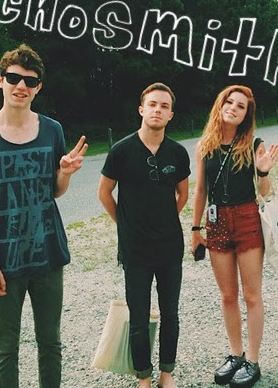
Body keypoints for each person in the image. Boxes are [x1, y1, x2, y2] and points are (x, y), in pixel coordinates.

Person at [0, 44, 88, 387]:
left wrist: (64, 174)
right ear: (0, 80)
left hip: (48, 255)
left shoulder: (52, 130)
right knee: (6, 349)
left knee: (50, 343)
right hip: (3, 262)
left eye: (30, 81)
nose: (21, 86)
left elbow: (54, 191)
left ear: (38, 87)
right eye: (13, 78)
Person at [97, 83, 190, 388]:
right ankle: (144, 377)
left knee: (170, 314)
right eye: (152, 104)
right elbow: (104, 192)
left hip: (169, 248)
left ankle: (166, 374)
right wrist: (124, 223)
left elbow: (183, 194)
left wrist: (165, 219)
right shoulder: (121, 151)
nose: (157, 110)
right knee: (138, 316)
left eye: (164, 106)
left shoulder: (177, 152)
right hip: (135, 249)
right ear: (141, 109)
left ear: (171, 114)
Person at [191, 85, 278, 388]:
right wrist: (195, 229)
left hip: (246, 219)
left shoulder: (254, 144)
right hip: (215, 221)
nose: (233, 108)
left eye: (240, 106)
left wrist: (264, 172)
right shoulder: (205, 145)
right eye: (229, 102)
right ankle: (235, 354)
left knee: (251, 295)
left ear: (246, 115)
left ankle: (252, 360)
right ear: (220, 105)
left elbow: (265, 192)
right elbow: (200, 190)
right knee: (227, 295)